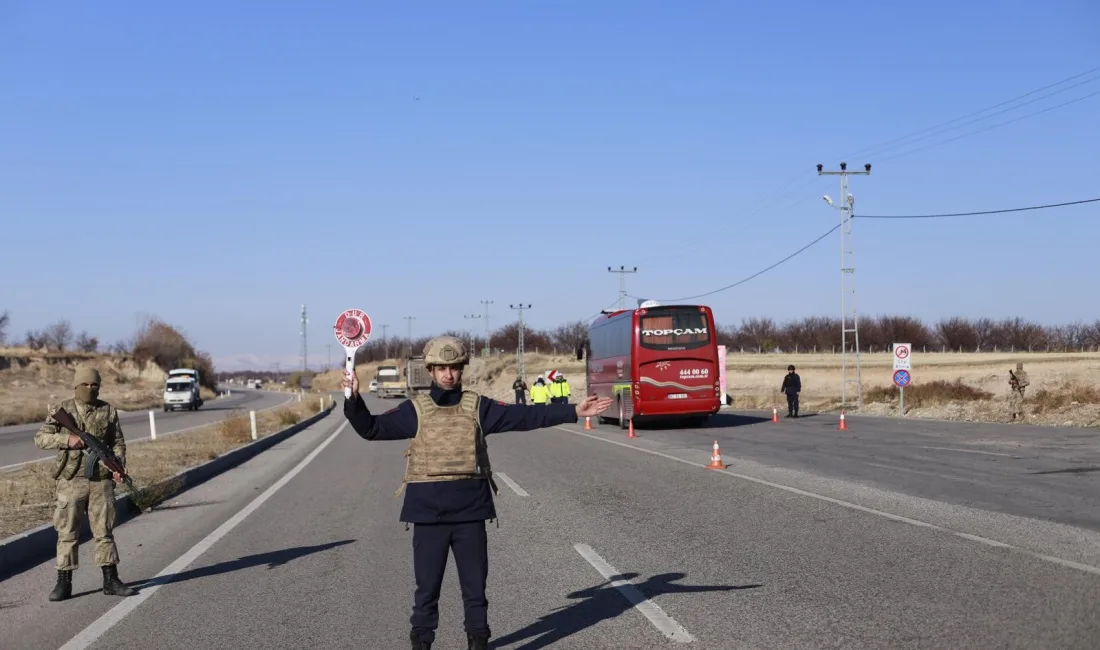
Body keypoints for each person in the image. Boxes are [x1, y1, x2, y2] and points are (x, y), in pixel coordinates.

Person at [342, 336, 611, 650]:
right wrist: (353, 398)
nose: (448, 374)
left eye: (454, 367)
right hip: (428, 516)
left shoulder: (478, 406)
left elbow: (524, 417)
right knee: (426, 592)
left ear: (461, 369)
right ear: (430, 370)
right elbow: (370, 429)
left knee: (475, 591)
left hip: (470, 513)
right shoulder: (415, 410)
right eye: (441, 367)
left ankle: (478, 642)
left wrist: (572, 410)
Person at [34, 365, 137, 602]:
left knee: (104, 531)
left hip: (100, 480)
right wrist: (66, 439)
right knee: (67, 532)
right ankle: (64, 582)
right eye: (85, 385)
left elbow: (118, 442)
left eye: (94, 385)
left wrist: (118, 466)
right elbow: (40, 438)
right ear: (76, 386)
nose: (90, 389)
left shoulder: (108, 410)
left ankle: (111, 580)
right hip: (70, 481)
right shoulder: (63, 410)